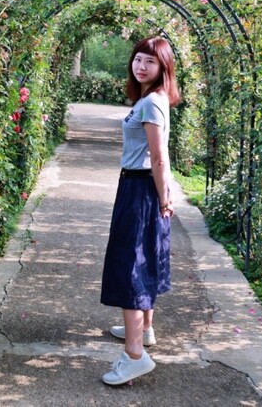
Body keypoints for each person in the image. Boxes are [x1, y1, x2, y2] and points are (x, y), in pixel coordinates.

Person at [100, 35, 181, 386]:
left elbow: (159, 155)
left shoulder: (151, 104)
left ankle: (135, 355)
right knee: (145, 259)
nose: (141, 65)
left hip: (140, 189)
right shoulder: (154, 99)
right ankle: (144, 329)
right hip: (143, 187)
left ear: (163, 67)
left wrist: (164, 197)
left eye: (150, 61)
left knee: (129, 267)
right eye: (138, 59)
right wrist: (163, 194)